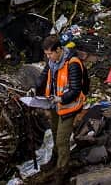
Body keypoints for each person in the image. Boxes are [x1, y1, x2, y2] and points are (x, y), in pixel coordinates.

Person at [35, 35, 85, 181]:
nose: (49, 57)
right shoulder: (52, 61)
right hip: (55, 105)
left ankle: (62, 171)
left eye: (50, 53)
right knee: (55, 132)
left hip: (69, 106)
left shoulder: (73, 64)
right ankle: (54, 159)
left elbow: (75, 90)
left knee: (62, 140)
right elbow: (43, 76)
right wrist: (35, 89)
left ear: (59, 49)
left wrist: (61, 98)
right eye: (46, 54)